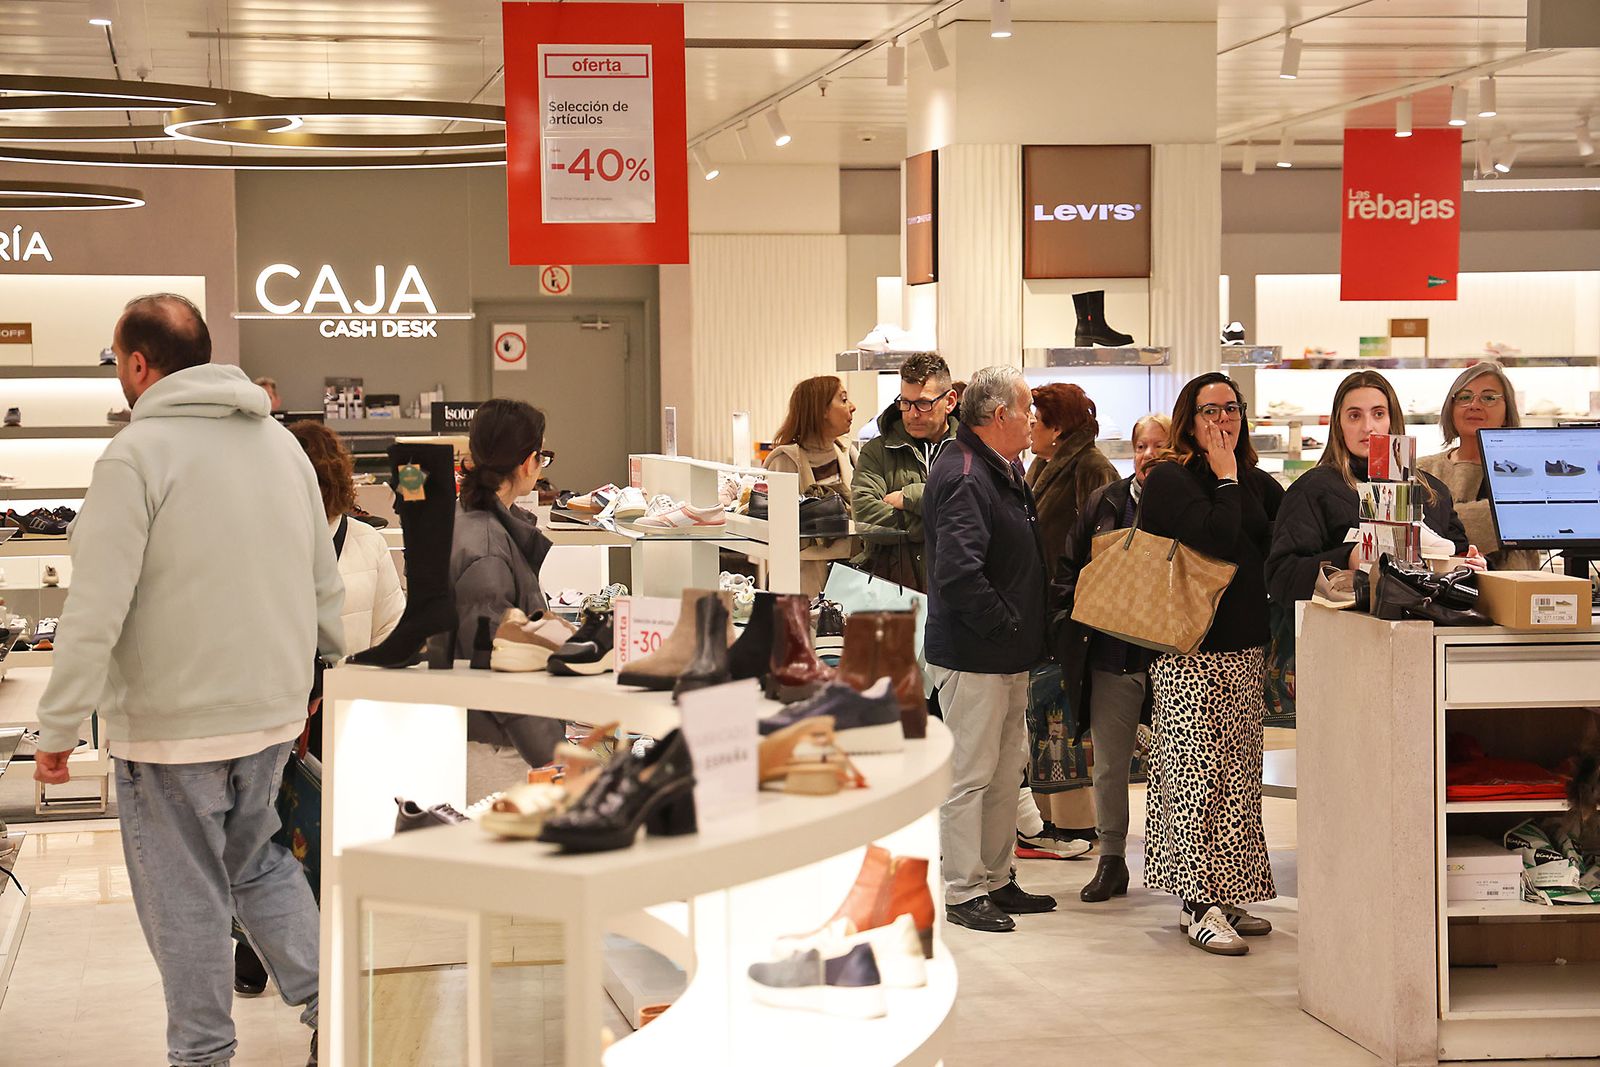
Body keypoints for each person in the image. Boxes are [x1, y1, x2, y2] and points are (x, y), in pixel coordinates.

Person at [32, 294, 341, 1066]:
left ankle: (202, 1054)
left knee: (185, 893)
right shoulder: (281, 448)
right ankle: (337, 1011)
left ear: (139, 365)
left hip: (173, 726)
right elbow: (324, 585)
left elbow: (95, 609)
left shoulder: (135, 456)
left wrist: (58, 728)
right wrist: (323, 671)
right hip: (270, 711)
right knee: (256, 857)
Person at [229, 421, 406, 998]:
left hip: (324, 711)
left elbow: (389, 630)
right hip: (293, 711)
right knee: (289, 833)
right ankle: (272, 956)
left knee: (286, 831)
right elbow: (389, 630)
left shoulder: (360, 542)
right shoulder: (344, 543)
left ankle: (281, 958)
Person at [1137, 372, 1283, 957]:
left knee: (1239, 779)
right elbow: (1217, 539)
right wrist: (1224, 478)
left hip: (1244, 650)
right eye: (1208, 411)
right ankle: (1196, 902)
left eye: (1231, 408)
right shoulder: (1172, 480)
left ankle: (1227, 891)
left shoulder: (1252, 480)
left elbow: (1282, 535)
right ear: (1188, 419)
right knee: (1193, 779)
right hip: (1188, 653)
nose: (1222, 420)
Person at [924, 365, 1056, 933]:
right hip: (974, 653)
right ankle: (962, 890)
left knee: (1006, 773)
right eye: (1027, 410)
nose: (1034, 421)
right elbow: (958, 574)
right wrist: (1005, 624)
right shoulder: (967, 474)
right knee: (969, 775)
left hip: (1004, 652)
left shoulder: (999, 469)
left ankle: (997, 879)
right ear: (1000, 416)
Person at [1050, 413, 1171, 903]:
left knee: (1178, 767)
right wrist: (1068, 625)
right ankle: (1112, 860)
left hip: (1171, 659)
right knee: (1110, 766)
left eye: (1158, 447)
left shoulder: (1187, 503)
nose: (1147, 456)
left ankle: (1178, 867)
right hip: (1113, 655)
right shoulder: (1107, 502)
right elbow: (1068, 568)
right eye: (1141, 446)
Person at [1266, 369, 1479, 612]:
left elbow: (1460, 558)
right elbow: (1281, 577)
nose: (1368, 427)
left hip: (1430, 638)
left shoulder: (1433, 492)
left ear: (1392, 419)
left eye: (1378, 414)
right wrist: (1348, 557)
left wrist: (1471, 567)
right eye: (1354, 416)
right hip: (1346, 639)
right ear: (1339, 424)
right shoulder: (1312, 490)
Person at [1022, 382, 1119, 843]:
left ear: (1056, 428)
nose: (1029, 427)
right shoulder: (1040, 464)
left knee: (1065, 715)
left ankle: (1077, 823)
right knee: (1045, 713)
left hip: (1074, 610)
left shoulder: (1091, 467)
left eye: (1035, 420)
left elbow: (1105, 548)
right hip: (1047, 607)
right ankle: (1052, 818)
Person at [452, 398, 562, 799]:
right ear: (528, 462)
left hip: (489, 733)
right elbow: (499, 659)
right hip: (494, 743)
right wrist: (551, 753)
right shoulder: (486, 545)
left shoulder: (477, 526)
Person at [850, 353, 959, 590]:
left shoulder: (969, 452)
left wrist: (910, 496)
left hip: (956, 594)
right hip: (893, 591)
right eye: (905, 403)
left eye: (923, 403)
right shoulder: (877, 452)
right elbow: (865, 517)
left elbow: (978, 513)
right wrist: (938, 521)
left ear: (949, 401)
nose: (912, 413)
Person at [1417, 361, 1539, 571]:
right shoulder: (1423, 469)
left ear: (1507, 409)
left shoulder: (1525, 471)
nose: (1474, 404)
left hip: (1511, 593)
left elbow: (1521, 521)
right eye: (1464, 397)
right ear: (1451, 408)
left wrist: (1441, 525)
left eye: (1489, 397)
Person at [766, 375, 859, 596]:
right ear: (821, 411)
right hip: (802, 580)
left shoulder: (849, 454)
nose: (852, 407)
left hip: (852, 574)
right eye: (843, 400)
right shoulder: (784, 461)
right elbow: (780, 533)